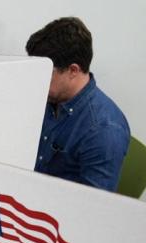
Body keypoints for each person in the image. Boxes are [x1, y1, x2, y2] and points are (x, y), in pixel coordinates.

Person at [26, 17, 130, 191]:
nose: (37, 81)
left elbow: (94, 206)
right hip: (32, 189)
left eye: (45, 73)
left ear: (73, 70)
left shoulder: (103, 130)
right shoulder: (51, 97)